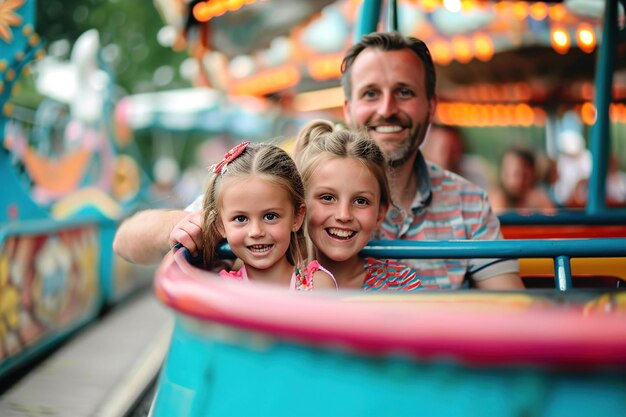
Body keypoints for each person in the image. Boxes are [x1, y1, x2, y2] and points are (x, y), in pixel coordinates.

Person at [340, 31, 524, 290]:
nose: (387, 110)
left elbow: (512, 308)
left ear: (430, 107)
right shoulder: (311, 203)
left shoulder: (468, 203)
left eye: (404, 92)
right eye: (371, 94)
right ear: (348, 110)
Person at [294, 119, 422, 290]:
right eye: (327, 197)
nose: (344, 215)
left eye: (361, 201)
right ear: (300, 208)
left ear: (380, 213)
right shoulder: (284, 284)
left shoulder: (399, 285)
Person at [198, 140, 336, 290]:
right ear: (220, 224)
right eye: (241, 219)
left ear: (297, 216)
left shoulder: (318, 286)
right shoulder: (223, 291)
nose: (256, 232)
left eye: (270, 216)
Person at [421, 124, 495, 192]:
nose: (446, 156)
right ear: (426, 151)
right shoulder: (416, 180)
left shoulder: (475, 173)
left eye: (452, 149)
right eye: (441, 149)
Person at [489, 147, 555, 213]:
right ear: (503, 174)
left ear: (533, 174)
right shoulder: (497, 198)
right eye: (515, 174)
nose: (520, 181)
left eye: (525, 175)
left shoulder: (538, 197)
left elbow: (552, 217)